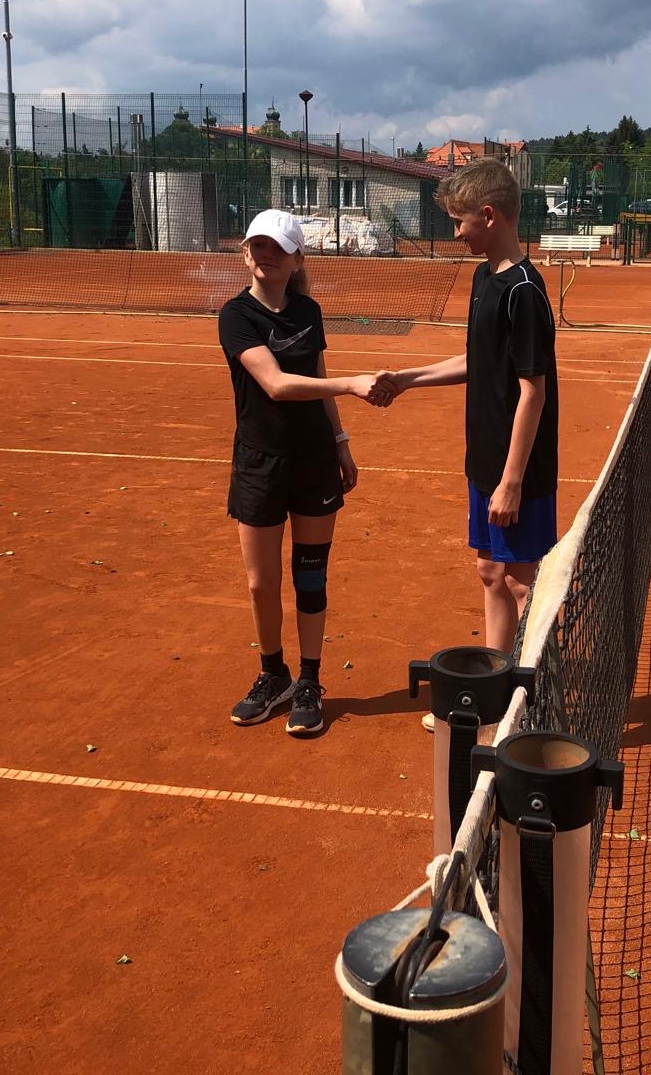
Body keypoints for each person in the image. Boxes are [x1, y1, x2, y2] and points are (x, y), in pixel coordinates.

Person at [375, 160, 559, 727]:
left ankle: (543, 702)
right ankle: (496, 695)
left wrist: (512, 482)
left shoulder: (524, 292)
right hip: (483, 462)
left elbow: (533, 392)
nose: (455, 233)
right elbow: (476, 361)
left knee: (523, 583)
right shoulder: (484, 278)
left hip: (517, 472)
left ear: (489, 215)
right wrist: (408, 378)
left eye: (460, 221)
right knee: (490, 573)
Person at [219, 209, 386, 736]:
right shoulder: (236, 315)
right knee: (260, 584)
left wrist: (341, 443)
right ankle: (274, 674)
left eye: (277, 247)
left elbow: (314, 375)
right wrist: (352, 384)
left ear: (297, 259)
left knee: (310, 578)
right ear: (245, 252)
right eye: (257, 245)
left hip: (314, 461)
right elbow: (275, 384)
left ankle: (310, 680)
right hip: (260, 463)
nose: (265, 254)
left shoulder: (309, 311)